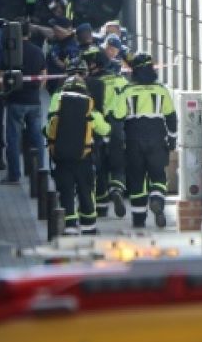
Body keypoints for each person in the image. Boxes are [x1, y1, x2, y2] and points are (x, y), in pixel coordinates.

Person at [47, 75, 110, 235]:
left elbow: (48, 130)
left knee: (66, 192)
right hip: (84, 159)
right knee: (86, 192)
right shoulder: (90, 109)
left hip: (61, 160)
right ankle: (88, 227)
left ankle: (69, 226)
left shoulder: (59, 107)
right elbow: (104, 129)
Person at [121, 53, 177, 228]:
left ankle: (138, 221)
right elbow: (171, 117)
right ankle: (157, 201)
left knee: (137, 180)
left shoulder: (127, 91)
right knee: (158, 175)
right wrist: (172, 140)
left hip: (133, 139)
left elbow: (116, 116)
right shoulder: (161, 90)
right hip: (157, 138)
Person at [3, 24, 48, 184]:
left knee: (13, 139)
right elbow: (43, 76)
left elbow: (3, 76)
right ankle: (41, 171)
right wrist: (36, 91)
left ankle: (14, 175)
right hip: (34, 102)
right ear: (29, 33)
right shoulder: (38, 51)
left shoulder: (10, 51)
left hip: (15, 101)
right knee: (37, 138)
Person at [88, 49, 129, 217]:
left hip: (99, 127)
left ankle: (102, 207)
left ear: (97, 64)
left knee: (100, 168)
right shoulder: (121, 80)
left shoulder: (93, 82)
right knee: (117, 164)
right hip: (117, 128)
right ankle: (117, 189)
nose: (88, 66)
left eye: (90, 63)